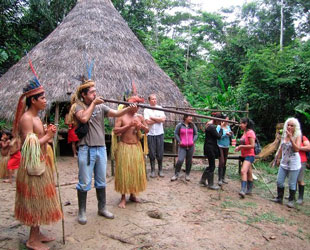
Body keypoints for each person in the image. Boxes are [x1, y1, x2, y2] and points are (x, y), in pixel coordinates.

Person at [68, 74, 137, 225]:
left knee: (101, 181)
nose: (95, 94)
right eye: (92, 92)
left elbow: (116, 113)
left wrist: (127, 108)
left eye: (95, 91)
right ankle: (82, 212)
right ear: (84, 95)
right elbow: (84, 118)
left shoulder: (101, 106)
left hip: (100, 148)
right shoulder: (78, 107)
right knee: (84, 181)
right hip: (86, 149)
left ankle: (102, 208)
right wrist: (94, 104)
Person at [13, 78, 62, 250]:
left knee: (40, 200)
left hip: (41, 164)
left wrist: (48, 133)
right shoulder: (27, 118)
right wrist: (48, 137)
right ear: (33, 100)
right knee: (34, 201)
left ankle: (37, 233)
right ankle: (32, 240)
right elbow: (28, 144)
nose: (45, 100)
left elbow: (39, 138)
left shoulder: (36, 117)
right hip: (32, 168)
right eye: (42, 98)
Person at [113, 95, 149, 208]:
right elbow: (115, 130)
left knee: (135, 172)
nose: (137, 108)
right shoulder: (121, 116)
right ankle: (123, 198)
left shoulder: (140, 117)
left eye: (139, 105)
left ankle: (133, 194)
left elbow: (147, 130)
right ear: (129, 105)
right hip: (125, 147)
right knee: (124, 172)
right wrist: (129, 125)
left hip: (136, 147)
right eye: (135, 105)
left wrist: (141, 126)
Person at [271, 118, 302, 208]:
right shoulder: (284, 135)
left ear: (295, 127)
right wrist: (278, 158)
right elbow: (281, 147)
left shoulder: (298, 136)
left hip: (294, 163)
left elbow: (297, 149)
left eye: (292, 125)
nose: (289, 127)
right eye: (288, 125)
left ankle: (291, 200)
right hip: (284, 162)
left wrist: (291, 138)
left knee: (292, 183)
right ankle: (279, 198)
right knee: (279, 181)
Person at [200, 113, 224, 190]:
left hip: (210, 147)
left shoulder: (211, 126)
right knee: (212, 166)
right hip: (210, 148)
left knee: (211, 165)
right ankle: (210, 184)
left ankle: (203, 180)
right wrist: (221, 128)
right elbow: (219, 137)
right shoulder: (212, 127)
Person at [144, 94, 166, 178]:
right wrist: (158, 119)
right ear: (149, 100)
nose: (154, 100)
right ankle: (153, 170)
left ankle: (160, 170)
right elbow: (147, 122)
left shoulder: (160, 108)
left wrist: (152, 118)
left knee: (160, 153)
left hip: (159, 133)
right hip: (150, 134)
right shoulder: (146, 110)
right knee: (152, 153)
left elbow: (163, 120)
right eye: (152, 99)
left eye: (155, 99)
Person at [171, 115, 198, 182]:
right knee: (180, 160)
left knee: (189, 161)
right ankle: (176, 174)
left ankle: (187, 174)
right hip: (182, 146)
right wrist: (179, 141)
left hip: (191, 146)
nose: (191, 118)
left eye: (191, 117)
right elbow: (176, 133)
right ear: (185, 118)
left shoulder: (192, 125)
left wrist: (193, 141)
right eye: (190, 117)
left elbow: (196, 134)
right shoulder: (179, 125)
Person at [235, 117, 256, 198]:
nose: (240, 125)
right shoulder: (244, 132)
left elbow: (252, 145)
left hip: (249, 155)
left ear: (246, 124)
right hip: (244, 155)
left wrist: (241, 146)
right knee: (249, 172)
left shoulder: (250, 133)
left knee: (243, 171)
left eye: (241, 123)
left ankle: (243, 190)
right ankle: (249, 189)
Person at [217, 115, 233, 185]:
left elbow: (231, 136)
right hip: (220, 145)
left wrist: (231, 134)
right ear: (222, 120)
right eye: (226, 120)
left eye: (228, 120)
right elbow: (218, 136)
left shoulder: (228, 127)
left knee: (225, 162)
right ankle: (219, 179)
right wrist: (224, 134)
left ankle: (223, 178)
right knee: (222, 161)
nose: (227, 121)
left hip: (227, 146)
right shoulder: (218, 127)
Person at [296, 134, 310, 205]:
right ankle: (292, 195)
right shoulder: (291, 136)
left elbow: (308, 147)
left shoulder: (303, 137)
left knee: (300, 179)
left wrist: (298, 147)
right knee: (293, 179)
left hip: (302, 160)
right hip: (292, 160)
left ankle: (300, 198)